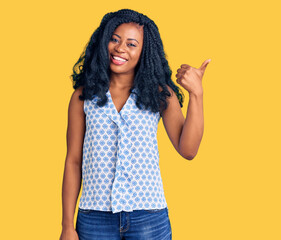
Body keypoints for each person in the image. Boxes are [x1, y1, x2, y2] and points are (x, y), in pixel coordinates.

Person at [59, 8, 210, 240]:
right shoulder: (83, 96)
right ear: (104, 41)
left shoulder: (160, 94)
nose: (120, 49)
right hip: (94, 216)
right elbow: (73, 161)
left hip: (148, 216)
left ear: (144, 51)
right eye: (115, 39)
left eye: (131, 44)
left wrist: (197, 95)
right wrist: (67, 226)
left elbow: (188, 150)